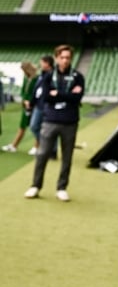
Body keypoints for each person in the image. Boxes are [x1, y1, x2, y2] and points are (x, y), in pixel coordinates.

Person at [25, 44, 85, 202]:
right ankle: (35, 186)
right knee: (42, 154)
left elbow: (77, 99)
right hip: (50, 120)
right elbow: (47, 97)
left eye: (68, 57)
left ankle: (61, 188)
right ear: (57, 58)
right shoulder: (48, 76)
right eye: (62, 57)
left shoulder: (78, 76)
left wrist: (58, 94)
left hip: (70, 122)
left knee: (67, 157)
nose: (65, 60)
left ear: (71, 59)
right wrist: (67, 95)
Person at [1, 61, 38, 153]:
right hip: (25, 106)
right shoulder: (26, 78)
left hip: (34, 105)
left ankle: (36, 146)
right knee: (22, 126)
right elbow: (23, 91)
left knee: (35, 126)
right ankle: (14, 145)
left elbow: (36, 92)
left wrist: (30, 101)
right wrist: (24, 100)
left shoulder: (36, 78)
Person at [29, 55, 55, 157]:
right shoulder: (42, 75)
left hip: (47, 105)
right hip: (38, 105)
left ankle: (51, 150)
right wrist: (32, 103)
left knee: (50, 128)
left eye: (42, 62)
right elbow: (37, 90)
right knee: (34, 126)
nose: (40, 64)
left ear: (47, 63)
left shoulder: (53, 75)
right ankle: (47, 146)